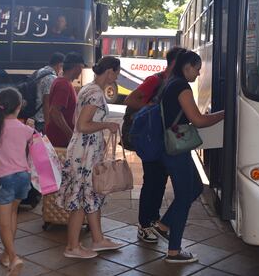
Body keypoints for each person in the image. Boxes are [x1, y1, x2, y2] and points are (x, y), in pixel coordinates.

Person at [154, 51, 224, 263]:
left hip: (171, 146)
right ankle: (174, 251)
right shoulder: (181, 86)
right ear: (186, 67)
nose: (199, 71)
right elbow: (198, 120)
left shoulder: (170, 82)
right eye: (197, 67)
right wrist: (224, 114)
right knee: (185, 196)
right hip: (176, 149)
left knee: (194, 187)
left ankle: (164, 225)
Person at [57, 56, 124, 258]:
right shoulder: (95, 94)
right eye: (117, 72)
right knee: (80, 198)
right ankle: (72, 247)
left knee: (90, 194)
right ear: (110, 72)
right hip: (84, 154)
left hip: (84, 151)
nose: (117, 76)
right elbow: (83, 125)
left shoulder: (89, 88)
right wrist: (107, 125)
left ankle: (98, 239)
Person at [124, 46, 186, 243]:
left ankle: (153, 219)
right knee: (151, 181)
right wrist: (152, 108)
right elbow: (130, 99)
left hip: (163, 140)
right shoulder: (156, 80)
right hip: (150, 139)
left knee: (159, 181)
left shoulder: (173, 82)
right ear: (176, 63)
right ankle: (144, 224)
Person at [0, 87, 34, 276]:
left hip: (4, 179)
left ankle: (14, 258)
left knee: (3, 223)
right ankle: (6, 254)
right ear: (19, 107)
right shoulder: (27, 129)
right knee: (13, 215)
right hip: (23, 178)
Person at [45, 53, 85, 147]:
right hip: (59, 139)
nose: (81, 71)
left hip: (58, 136)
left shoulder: (61, 81)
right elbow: (55, 112)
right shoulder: (63, 85)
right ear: (76, 67)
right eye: (81, 68)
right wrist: (69, 134)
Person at [33, 53, 64, 133]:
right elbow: (46, 102)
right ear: (59, 65)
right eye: (62, 67)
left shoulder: (40, 71)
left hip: (34, 114)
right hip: (41, 119)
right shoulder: (51, 78)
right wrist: (48, 124)